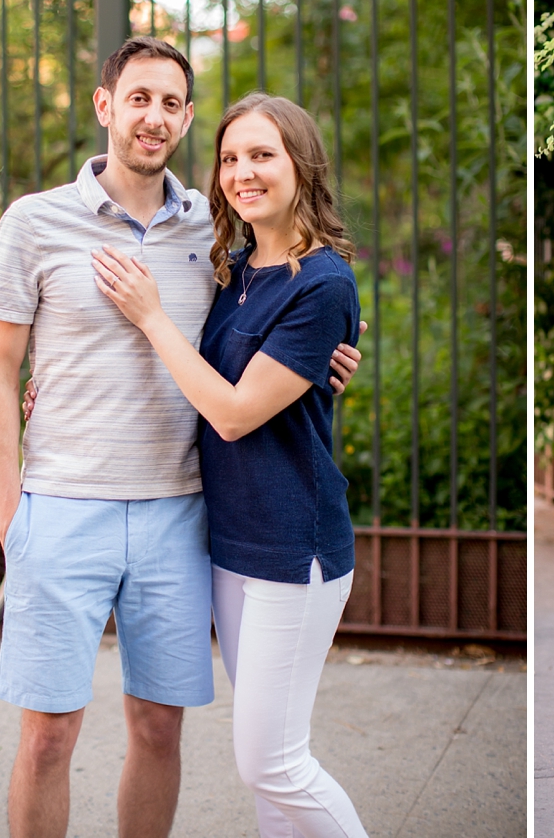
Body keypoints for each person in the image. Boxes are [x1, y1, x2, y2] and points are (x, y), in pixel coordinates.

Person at [0, 37, 361, 838]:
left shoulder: (212, 235)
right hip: (62, 508)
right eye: (140, 98)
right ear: (105, 105)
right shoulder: (35, 222)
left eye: (173, 103)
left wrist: (329, 356)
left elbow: (265, 332)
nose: (156, 117)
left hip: (180, 520)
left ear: (186, 117)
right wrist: (12, 517)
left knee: (159, 730)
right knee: (48, 735)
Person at [91, 91, 369, 838]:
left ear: (301, 165)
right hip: (231, 543)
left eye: (263, 155)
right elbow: (209, 375)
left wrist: (149, 314)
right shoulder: (236, 269)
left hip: (292, 546)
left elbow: (235, 410)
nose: (243, 172)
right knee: (271, 777)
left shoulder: (324, 282)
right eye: (230, 158)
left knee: (272, 763)